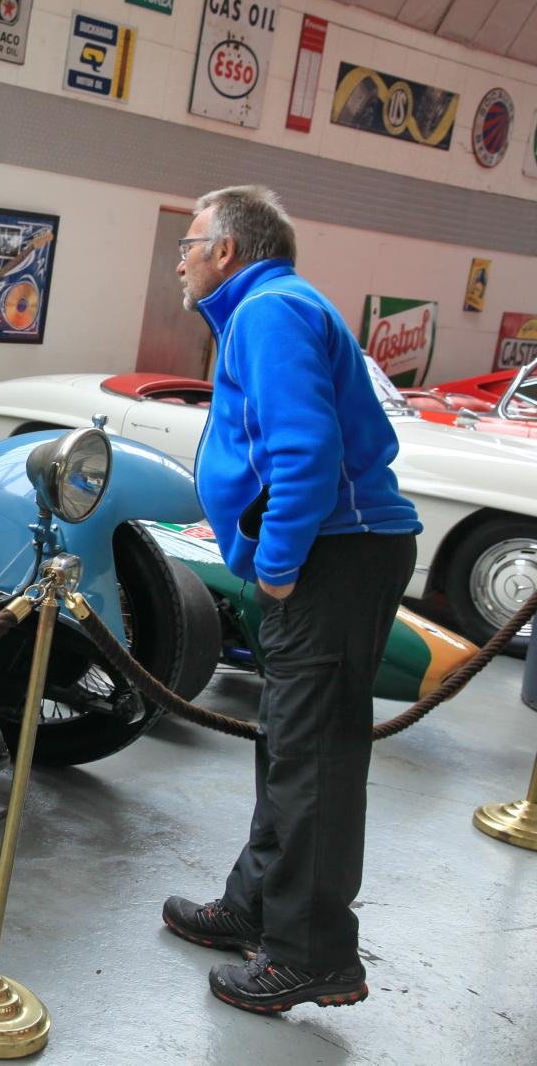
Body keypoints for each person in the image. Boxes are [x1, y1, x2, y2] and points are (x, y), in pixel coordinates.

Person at [162, 186, 422, 1014]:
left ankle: (312, 954)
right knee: (288, 743)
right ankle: (257, 906)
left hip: (333, 557)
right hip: (332, 554)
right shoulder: (267, 308)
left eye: (190, 243)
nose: (181, 259)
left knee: (314, 759)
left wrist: (275, 563)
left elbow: (306, 448)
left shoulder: (269, 311)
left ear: (226, 250)